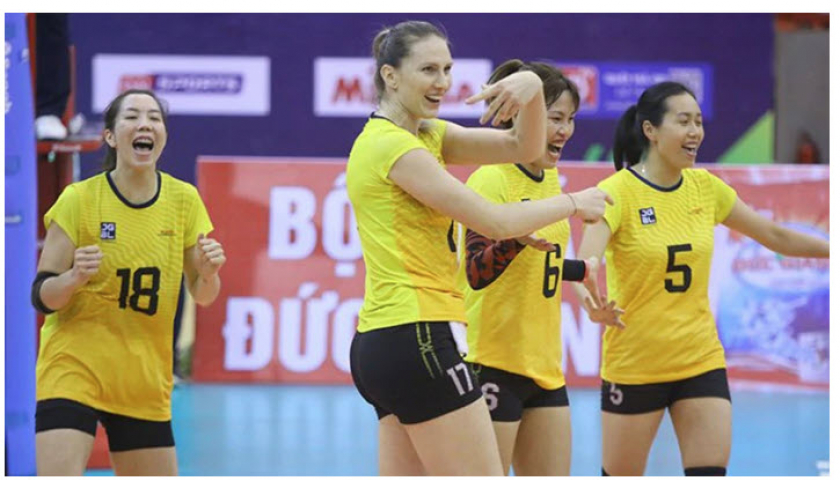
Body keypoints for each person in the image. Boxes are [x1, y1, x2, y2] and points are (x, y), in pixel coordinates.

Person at [346, 21, 611, 476]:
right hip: (417, 335)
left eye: (447, 69)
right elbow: (495, 222)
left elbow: (522, 145)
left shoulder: (426, 134)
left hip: (383, 342)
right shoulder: (393, 147)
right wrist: (573, 202)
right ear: (390, 76)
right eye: (428, 69)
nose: (442, 82)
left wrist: (532, 90)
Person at [574, 81, 830, 476]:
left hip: (699, 358)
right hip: (635, 363)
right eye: (683, 121)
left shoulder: (706, 187)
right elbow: (583, 266)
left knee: (710, 471)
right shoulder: (616, 192)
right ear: (650, 130)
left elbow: (775, 236)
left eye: (698, 121)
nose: (695, 132)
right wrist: (593, 306)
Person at [31, 89, 226, 475]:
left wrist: (208, 273)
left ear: (163, 135)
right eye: (132, 116)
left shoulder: (183, 200)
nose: (145, 124)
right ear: (110, 136)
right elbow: (41, 295)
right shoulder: (79, 199)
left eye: (154, 118)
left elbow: (203, 295)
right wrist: (73, 278)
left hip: (143, 379)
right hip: (74, 368)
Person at [457, 60, 623, 476]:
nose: (565, 130)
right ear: (522, 115)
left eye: (570, 119)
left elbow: (541, 260)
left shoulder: (548, 179)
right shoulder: (490, 180)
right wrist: (514, 239)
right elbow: (475, 273)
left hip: (546, 368)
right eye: (554, 118)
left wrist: (585, 283)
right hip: (491, 361)